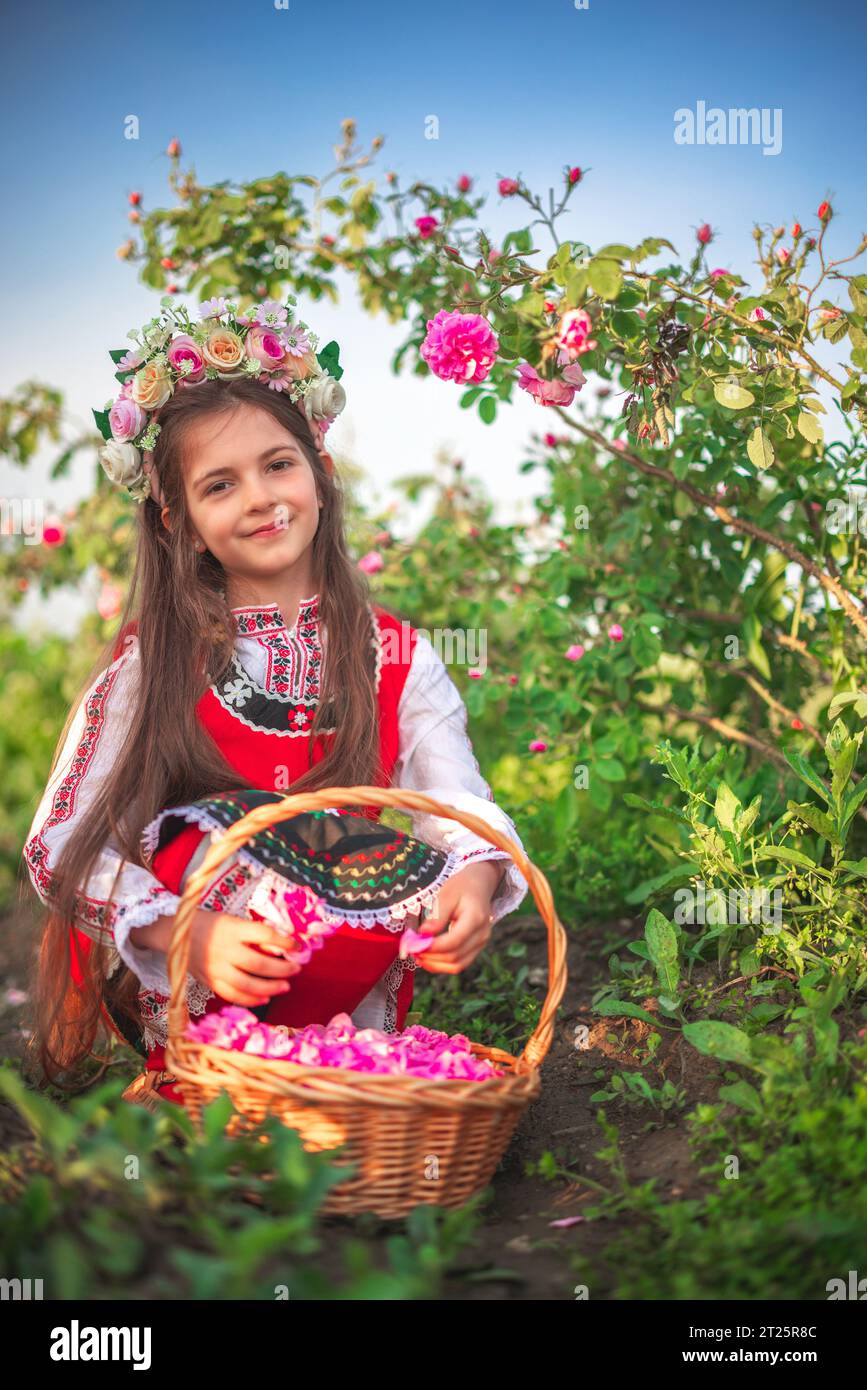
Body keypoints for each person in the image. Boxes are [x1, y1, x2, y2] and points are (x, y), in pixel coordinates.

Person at [22, 294, 528, 1106]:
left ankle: (343, 1072)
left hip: (346, 972)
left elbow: (454, 800)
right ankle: (211, 1074)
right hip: (201, 973)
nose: (260, 497)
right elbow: (57, 842)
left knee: (411, 859)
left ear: (320, 476)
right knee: (200, 838)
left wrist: (471, 882)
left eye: (278, 464)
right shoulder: (153, 662)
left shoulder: (393, 653)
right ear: (179, 521)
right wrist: (185, 933)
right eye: (219, 484)